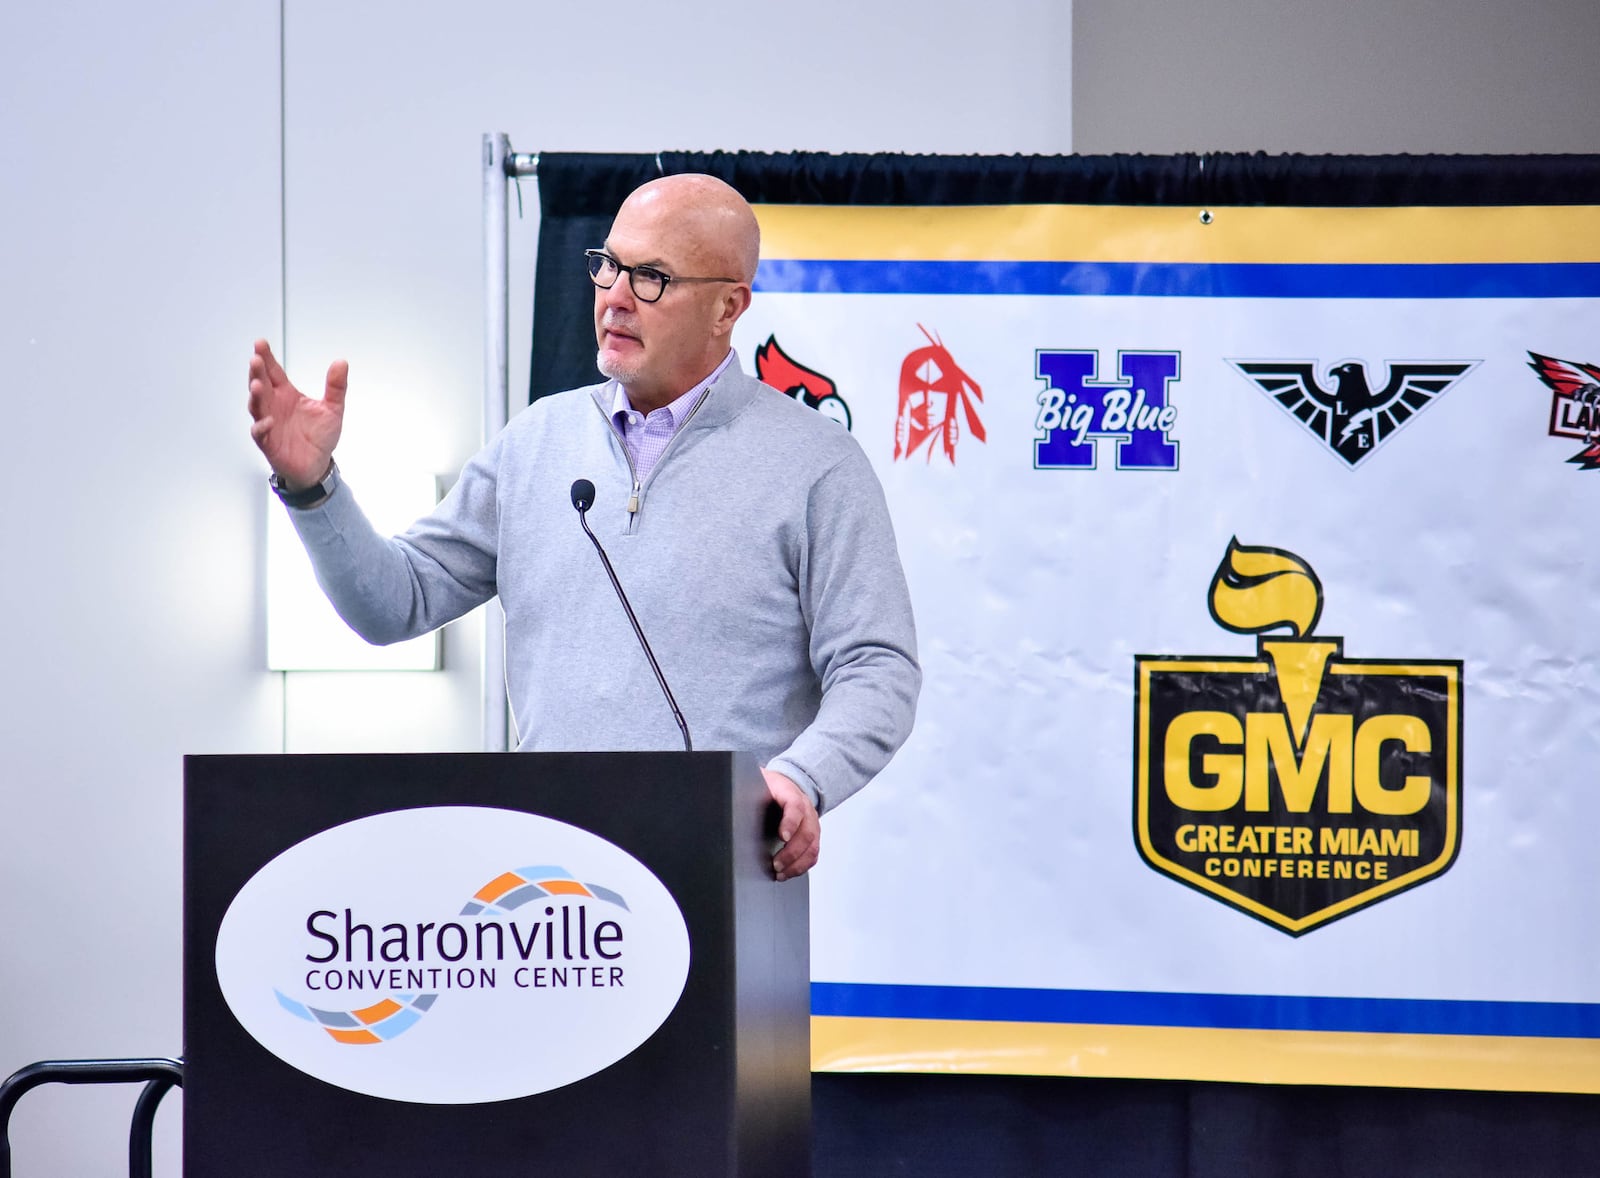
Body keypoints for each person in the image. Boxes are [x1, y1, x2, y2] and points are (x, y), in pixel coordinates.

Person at [247, 174, 919, 880]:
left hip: (722, 874)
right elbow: (395, 603)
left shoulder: (815, 463)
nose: (615, 297)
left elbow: (878, 668)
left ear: (729, 307)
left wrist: (799, 780)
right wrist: (312, 486)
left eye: (652, 277)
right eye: (609, 265)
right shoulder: (537, 440)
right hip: (548, 893)